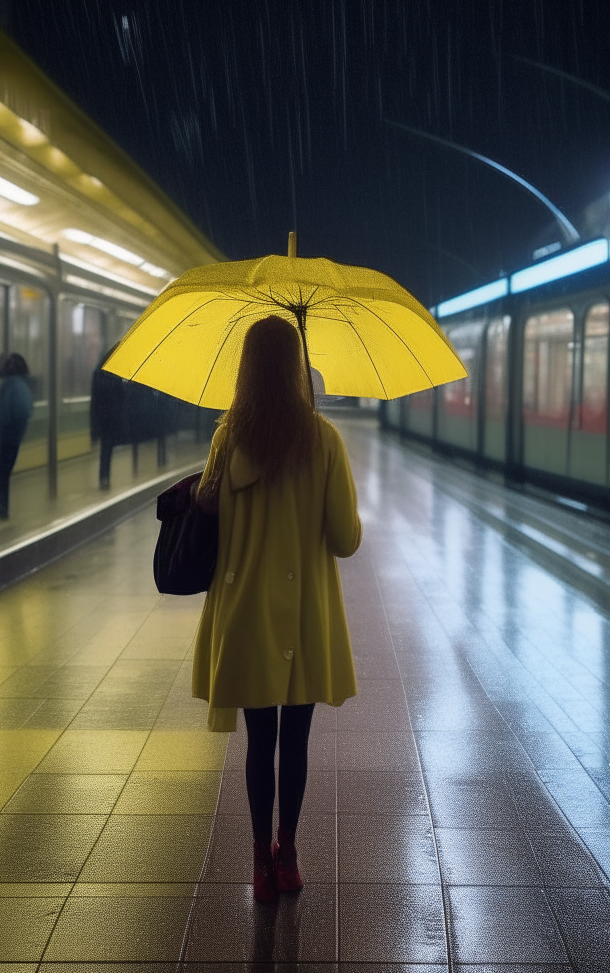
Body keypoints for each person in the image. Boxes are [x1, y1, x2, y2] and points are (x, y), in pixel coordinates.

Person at [191, 315, 362, 902]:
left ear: (245, 369)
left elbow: (209, 508)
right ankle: (285, 853)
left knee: (259, 742)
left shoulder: (227, 439)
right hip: (303, 617)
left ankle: (257, 865)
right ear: (297, 368)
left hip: (245, 615)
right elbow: (345, 539)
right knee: (297, 742)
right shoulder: (324, 440)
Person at [0, 352, 33, 519]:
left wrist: (11, 428)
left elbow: (21, 411)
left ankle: (3, 509)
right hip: (10, 435)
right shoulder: (18, 385)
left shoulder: (13, 386)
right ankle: (2, 507)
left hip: (9, 436)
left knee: (3, 471)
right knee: (3, 472)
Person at [90, 347, 125, 489]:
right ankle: (105, 477)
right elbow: (121, 397)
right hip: (112, 416)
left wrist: (94, 424)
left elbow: (95, 400)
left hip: (102, 417)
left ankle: (103, 477)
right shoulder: (115, 375)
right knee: (107, 448)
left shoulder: (97, 374)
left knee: (105, 448)